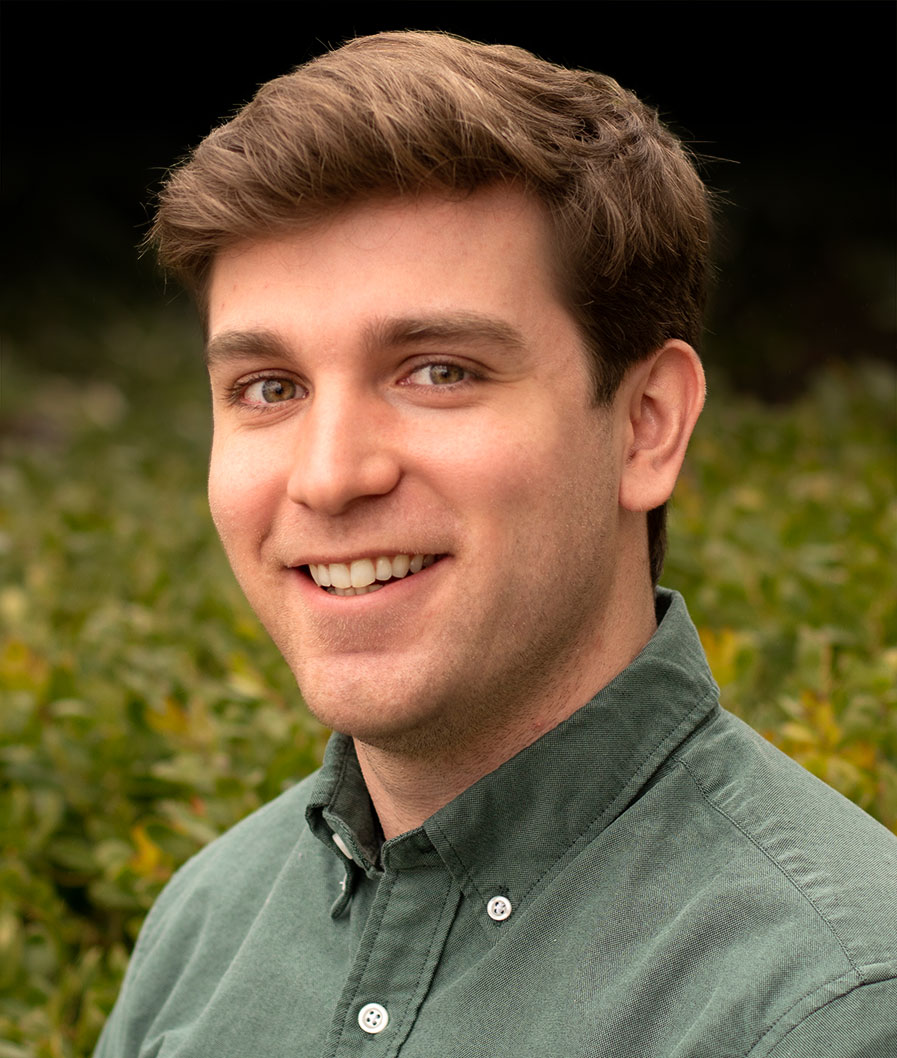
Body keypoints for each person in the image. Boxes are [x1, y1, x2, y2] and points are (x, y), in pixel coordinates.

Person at [95, 30, 897, 1058]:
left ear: (647, 426)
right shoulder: (206, 923)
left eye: (439, 371)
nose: (329, 475)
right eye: (269, 387)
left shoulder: (832, 1008)